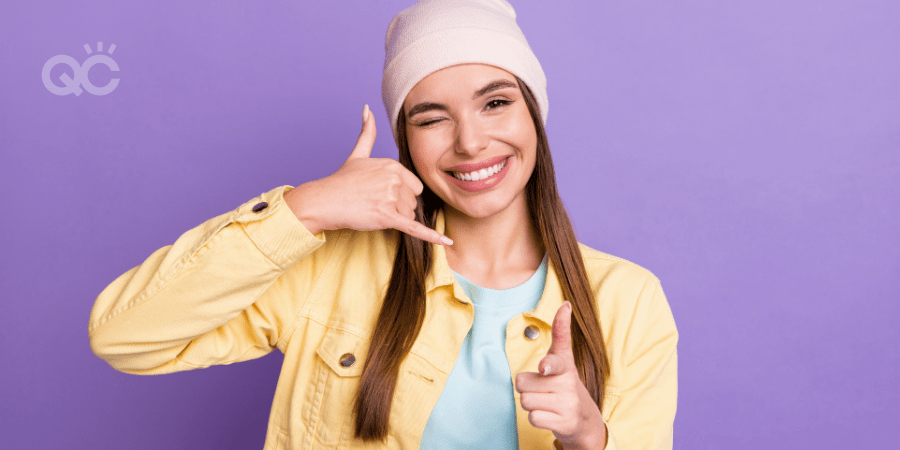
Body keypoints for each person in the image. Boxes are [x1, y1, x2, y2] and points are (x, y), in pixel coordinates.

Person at [88, 0, 678, 449]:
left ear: (534, 115)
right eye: (431, 118)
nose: (471, 142)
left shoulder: (628, 300)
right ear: (407, 144)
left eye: (495, 102)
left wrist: (588, 438)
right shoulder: (329, 266)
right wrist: (305, 208)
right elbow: (124, 336)